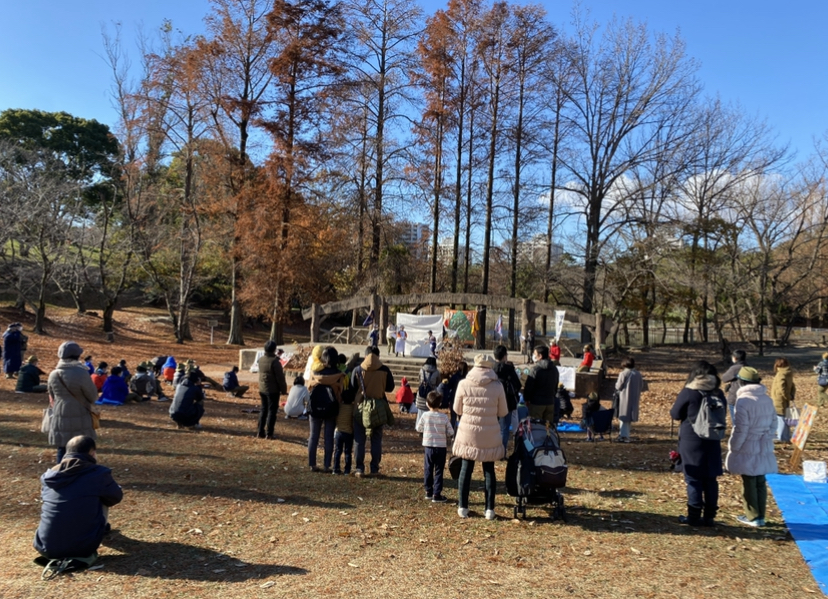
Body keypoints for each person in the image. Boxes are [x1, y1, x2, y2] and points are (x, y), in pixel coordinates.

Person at [33, 435, 123, 568]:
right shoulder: (98, 474)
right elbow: (116, 497)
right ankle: (99, 530)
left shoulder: (49, 476)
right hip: (83, 548)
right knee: (103, 497)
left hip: (45, 546)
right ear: (92, 453)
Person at [670, 360, 726, 527]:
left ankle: (693, 516)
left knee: (694, 479)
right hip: (713, 438)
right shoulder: (718, 392)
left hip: (691, 439)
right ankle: (709, 517)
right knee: (710, 479)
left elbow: (675, 413)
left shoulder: (690, 391)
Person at [453, 354, 508, 519]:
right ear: (490, 366)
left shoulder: (463, 384)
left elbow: (457, 409)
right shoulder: (497, 386)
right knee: (489, 470)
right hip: (489, 432)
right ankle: (489, 509)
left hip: (468, 432)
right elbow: (503, 412)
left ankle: (463, 506)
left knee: (465, 468)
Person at [725, 367, 777, 528]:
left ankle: (753, 516)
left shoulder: (743, 401)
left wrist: (734, 447)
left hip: (748, 443)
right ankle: (760, 515)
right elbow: (774, 424)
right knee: (760, 480)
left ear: (741, 382)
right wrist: (766, 438)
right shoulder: (767, 399)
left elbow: (741, 428)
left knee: (749, 481)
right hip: (764, 443)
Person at [48, 342, 100, 463]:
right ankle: (82, 471)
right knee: (82, 447)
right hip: (80, 412)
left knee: (62, 447)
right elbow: (93, 396)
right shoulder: (81, 373)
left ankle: (62, 471)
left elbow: (52, 396)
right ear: (77, 356)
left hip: (59, 413)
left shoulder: (54, 374)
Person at [351, 346, 395, 477]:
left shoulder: (358, 369)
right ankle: (374, 468)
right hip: (378, 408)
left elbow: (353, 387)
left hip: (360, 407)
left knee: (359, 439)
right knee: (376, 439)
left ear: (365, 356)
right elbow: (390, 387)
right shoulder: (384, 369)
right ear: (378, 356)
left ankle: (359, 468)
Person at [307, 346, 345, 472]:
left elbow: (309, 388)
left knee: (313, 436)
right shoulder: (339, 375)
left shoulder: (314, 373)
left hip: (315, 407)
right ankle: (327, 465)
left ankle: (312, 464)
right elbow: (340, 392)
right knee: (328, 437)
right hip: (331, 408)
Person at [416, 391, 454, 503]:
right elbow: (451, 432)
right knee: (439, 470)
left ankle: (428, 490)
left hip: (429, 447)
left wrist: (426, 429)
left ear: (427, 404)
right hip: (441, 447)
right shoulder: (444, 417)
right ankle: (437, 493)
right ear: (440, 403)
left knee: (428, 468)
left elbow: (418, 428)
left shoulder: (425, 416)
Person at [492, 344, 522, 454]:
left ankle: (492, 450)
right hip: (507, 403)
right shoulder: (509, 370)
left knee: (492, 428)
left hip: (492, 402)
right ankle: (501, 452)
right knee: (504, 429)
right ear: (505, 356)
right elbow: (518, 385)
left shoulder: (491, 369)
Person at [257, 341, 287, 439]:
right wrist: (283, 390)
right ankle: (269, 433)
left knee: (263, 410)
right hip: (273, 390)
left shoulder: (261, 359)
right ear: (274, 349)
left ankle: (260, 431)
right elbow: (280, 378)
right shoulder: (275, 362)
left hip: (262, 388)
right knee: (272, 411)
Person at [522, 345, 559, 424]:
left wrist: (526, 399)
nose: (534, 356)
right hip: (550, 402)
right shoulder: (554, 369)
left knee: (536, 426)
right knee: (548, 426)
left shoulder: (535, 370)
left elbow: (529, 387)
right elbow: (556, 385)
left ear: (540, 356)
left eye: (535, 354)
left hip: (537, 403)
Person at [614, 357, 644, 442]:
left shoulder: (623, 373)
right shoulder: (638, 374)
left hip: (624, 397)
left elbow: (618, 386)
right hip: (634, 397)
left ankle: (624, 436)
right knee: (629, 417)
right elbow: (641, 385)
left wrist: (616, 385)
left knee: (623, 417)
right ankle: (624, 434)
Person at [770, 358, 796, 443]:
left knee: (780, 417)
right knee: (784, 417)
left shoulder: (781, 374)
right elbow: (793, 385)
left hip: (779, 400)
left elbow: (782, 388)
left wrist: (787, 396)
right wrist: (791, 395)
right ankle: (786, 436)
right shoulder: (789, 373)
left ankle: (781, 437)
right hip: (784, 399)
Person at [334, 384, 355, 475]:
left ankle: (336, 468)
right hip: (348, 432)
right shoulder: (352, 408)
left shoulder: (339, 407)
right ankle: (347, 470)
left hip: (338, 431)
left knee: (337, 451)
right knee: (348, 452)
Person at [721, 349, 748, 421]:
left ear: (735, 358)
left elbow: (724, 378)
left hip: (735, 397)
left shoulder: (735, 368)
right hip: (748, 397)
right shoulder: (748, 367)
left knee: (736, 421)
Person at [415, 356, 440, 427]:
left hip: (421, 395)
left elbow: (419, 380)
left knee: (420, 413)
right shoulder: (436, 372)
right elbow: (438, 383)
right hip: (431, 396)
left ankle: (419, 427)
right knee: (430, 413)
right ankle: (428, 427)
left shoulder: (421, 370)